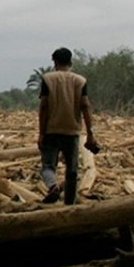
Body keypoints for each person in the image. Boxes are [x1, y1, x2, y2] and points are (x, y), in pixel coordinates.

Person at [37, 48, 98, 205]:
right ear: (70, 62)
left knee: (48, 167)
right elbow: (85, 106)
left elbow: (43, 107)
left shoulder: (48, 79)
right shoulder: (80, 81)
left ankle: (53, 186)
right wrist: (90, 133)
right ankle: (69, 206)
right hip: (72, 132)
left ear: (55, 62)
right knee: (72, 172)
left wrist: (41, 133)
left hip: (51, 130)